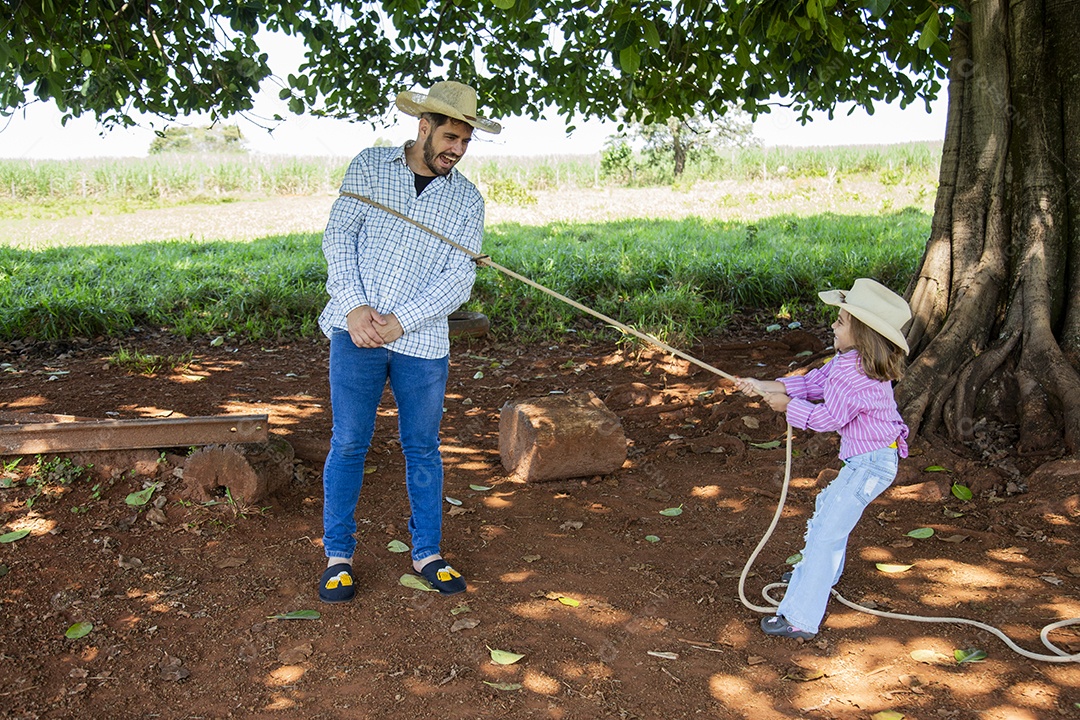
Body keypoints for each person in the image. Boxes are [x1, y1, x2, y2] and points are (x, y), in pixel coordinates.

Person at [316, 81, 501, 602]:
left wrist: (400, 322)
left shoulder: (465, 198)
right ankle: (338, 555)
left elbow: (456, 279)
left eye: (465, 142)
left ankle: (427, 552)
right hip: (355, 330)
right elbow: (339, 237)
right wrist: (354, 307)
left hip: (421, 343)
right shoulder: (371, 167)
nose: (457, 150)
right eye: (449, 137)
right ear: (423, 127)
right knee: (350, 441)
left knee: (422, 447)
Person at [735, 278, 911, 639]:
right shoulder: (847, 362)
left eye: (841, 321)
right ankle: (817, 575)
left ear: (862, 334)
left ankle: (800, 618)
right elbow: (815, 383)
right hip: (868, 463)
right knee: (829, 518)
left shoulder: (857, 375)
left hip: (871, 465)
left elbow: (827, 418)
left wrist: (787, 407)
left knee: (826, 531)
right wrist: (766, 385)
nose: (833, 325)